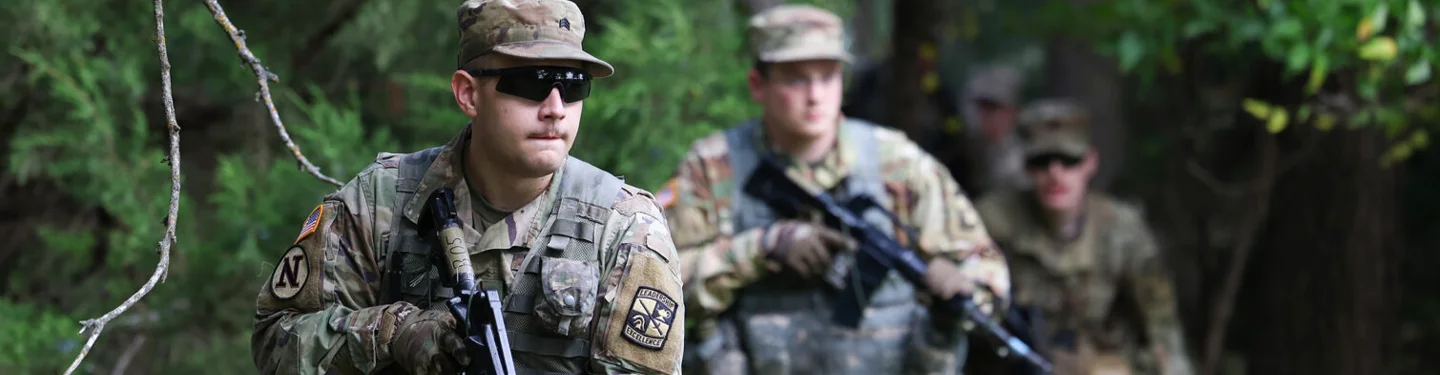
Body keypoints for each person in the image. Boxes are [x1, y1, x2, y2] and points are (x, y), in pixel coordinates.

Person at [250, 1, 685, 374]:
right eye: (531, 82)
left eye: (573, 86)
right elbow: (277, 342)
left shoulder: (625, 228)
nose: (556, 108)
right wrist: (391, 334)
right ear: (468, 94)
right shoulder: (381, 201)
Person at [654, 4, 1011, 375]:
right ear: (758, 85)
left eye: (827, 77)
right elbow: (659, 286)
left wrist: (959, 288)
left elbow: (989, 276)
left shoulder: (899, 164)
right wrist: (762, 247)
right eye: (796, 80)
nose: (815, 95)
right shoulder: (714, 167)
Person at [972, 99, 1194, 375]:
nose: (1055, 174)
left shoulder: (1122, 230)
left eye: (1069, 161)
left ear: (1090, 162)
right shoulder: (992, 221)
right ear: (1027, 167)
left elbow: (1163, 327)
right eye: (1042, 162)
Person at [956, 64, 1028, 199]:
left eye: (995, 109)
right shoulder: (967, 152)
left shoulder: (1021, 161)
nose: (988, 117)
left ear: (1014, 112)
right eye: (983, 109)